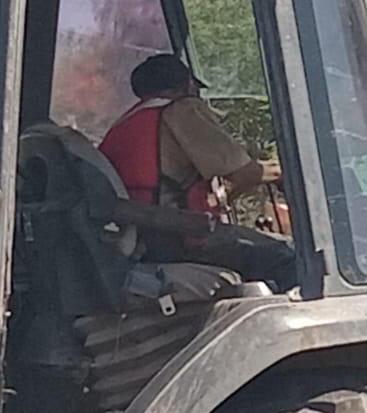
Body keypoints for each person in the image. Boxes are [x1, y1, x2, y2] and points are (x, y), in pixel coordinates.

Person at [100, 53, 294, 287]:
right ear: (188, 85)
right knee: (288, 256)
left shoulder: (123, 124)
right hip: (180, 239)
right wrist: (278, 172)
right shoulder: (182, 110)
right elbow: (244, 173)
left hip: (139, 239)